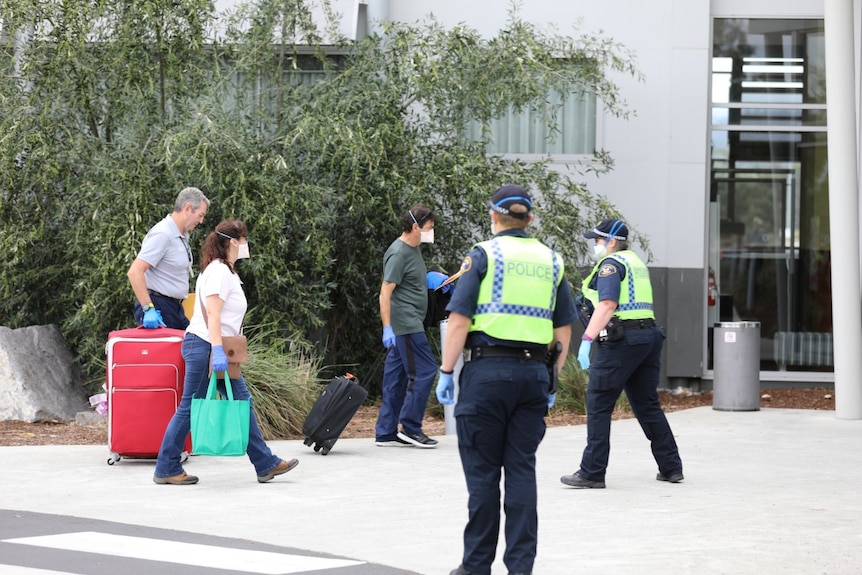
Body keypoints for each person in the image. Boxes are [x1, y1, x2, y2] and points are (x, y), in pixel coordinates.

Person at [436, 184, 575, 575]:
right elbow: (563, 330)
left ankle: (476, 566)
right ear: (530, 219)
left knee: (483, 474)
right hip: (533, 375)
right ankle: (520, 568)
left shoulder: (484, 254)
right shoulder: (552, 261)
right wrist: (551, 380)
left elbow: (459, 320)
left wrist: (447, 372)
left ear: (493, 215)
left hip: (486, 374)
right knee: (521, 472)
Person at [153, 219, 298, 485]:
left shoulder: (226, 271)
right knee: (190, 407)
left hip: (211, 346)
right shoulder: (219, 271)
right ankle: (166, 467)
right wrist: (217, 351)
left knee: (242, 403)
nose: (245, 245)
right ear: (233, 241)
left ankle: (264, 463)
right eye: (243, 239)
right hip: (205, 346)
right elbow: (214, 314)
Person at [561, 218, 684, 489]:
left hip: (622, 340)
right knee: (647, 404)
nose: (595, 245)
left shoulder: (611, 265)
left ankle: (592, 472)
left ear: (612, 242)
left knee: (599, 402)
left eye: (598, 240)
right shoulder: (636, 262)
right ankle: (671, 467)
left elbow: (607, 304)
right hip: (648, 337)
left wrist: (587, 339)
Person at [375, 204, 441, 448]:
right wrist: (387, 327)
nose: (431, 232)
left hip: (408, 322)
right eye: (429, 228)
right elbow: (385, 292)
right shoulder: (399, 252)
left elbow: (409, 281)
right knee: (425, 371)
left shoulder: (413, 249)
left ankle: (386, 432)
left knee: (396, 379)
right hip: (406, 325)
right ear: (415, 226)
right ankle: (411, 428)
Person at [127, 187, 210, 330]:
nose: (201, 221)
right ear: (188, 208)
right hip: (158, 306)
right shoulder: (163, 234)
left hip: (175, 307)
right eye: (200, 215)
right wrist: (148, 308)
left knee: (191, 347)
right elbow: (135, 272)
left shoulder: (181, 235)